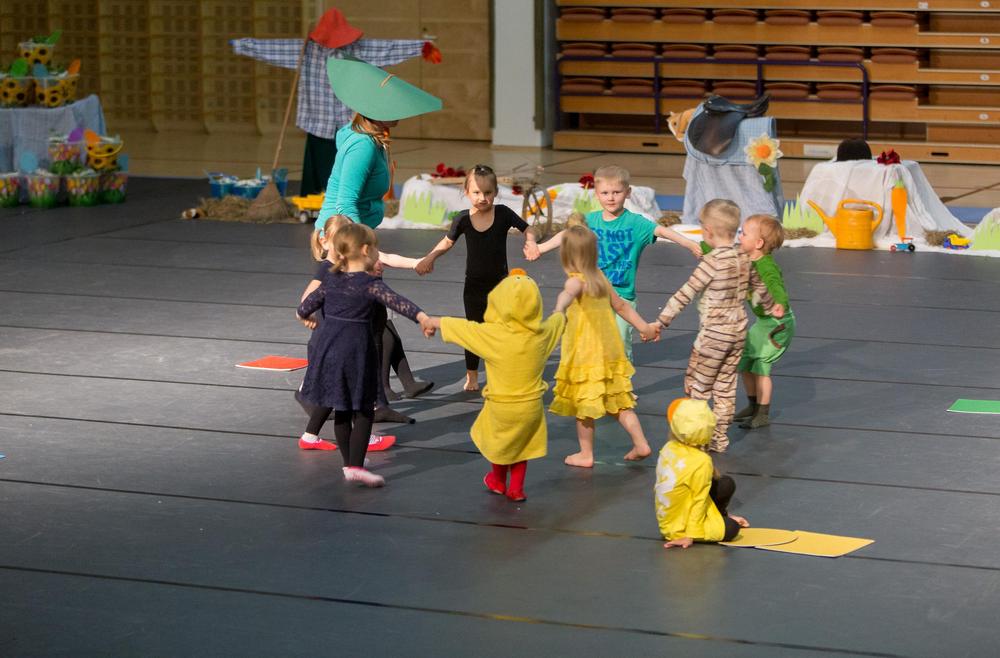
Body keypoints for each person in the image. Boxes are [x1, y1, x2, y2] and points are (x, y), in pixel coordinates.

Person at [318, 55, 442, 424]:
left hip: (354, 238)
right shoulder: (362, 146)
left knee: (375, 319)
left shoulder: (370, 137)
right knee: (365, 320)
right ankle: (339, 396)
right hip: (343, 241)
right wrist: (363, 254)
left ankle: (381, 395)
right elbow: (345, 203)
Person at [231, 8, 437, 195]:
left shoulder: (359, 49)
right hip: (319, 121)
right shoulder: (307, 50)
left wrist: (423, 47)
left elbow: (389, 48)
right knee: (319, 163)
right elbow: (274, 49)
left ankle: (348, 198)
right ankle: (314, 198)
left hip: (349, 120)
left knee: (351, 162)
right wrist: (242, 45)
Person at [296, 223, 435, 487]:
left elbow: (305, 307)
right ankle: (356, 466)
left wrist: (306, 317)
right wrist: (422, 317)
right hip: (356, 352)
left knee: (341, 408)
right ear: (365, 250)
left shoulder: (330, 280)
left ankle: (349, 464)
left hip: (328, 351)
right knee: (362, 411)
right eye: (375, 248)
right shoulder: (369, 285)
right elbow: (398, 302)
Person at [529, 165, 702, 362]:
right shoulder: (590, 221)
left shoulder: (636, 223)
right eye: (605, 193)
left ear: (628, 193)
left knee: (619, 343)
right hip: (593, 292)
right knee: (592, 341)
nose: (611, 198)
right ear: (597, 194)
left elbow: (662, 231)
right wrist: (541, 248)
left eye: (616, 192)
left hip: (623, 293)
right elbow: (567, 234)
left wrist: (689, 243)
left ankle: (622, 377)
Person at [422, 270, 566, 502]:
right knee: (522, 445)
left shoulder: (492, 335)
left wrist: (432, 322)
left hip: (501, 407)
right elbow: (558, 320)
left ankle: (498, 481)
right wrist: (561, 304)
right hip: (531, 408)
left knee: (497, 440)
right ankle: (516, 488)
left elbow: (462, 327)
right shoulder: (541, 335)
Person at [653, 200, 783, 453]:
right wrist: (771, 307)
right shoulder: (744, 258)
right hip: (737, 335)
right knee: (725, 389)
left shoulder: (711, 263)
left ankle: (697, 436)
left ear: (708, 231)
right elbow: (759, 287)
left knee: (698, 388)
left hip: (714, 337)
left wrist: (661, 322)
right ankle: (719, 438)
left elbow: (685, 293)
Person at [414, 164, 540, 391]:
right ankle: (471, 375)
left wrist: (530, 241)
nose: (482, 198)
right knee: (473, 331)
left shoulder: (503, 214)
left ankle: (503, 371)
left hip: (501, 286)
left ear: (496, 192)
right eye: (476, 193)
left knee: (502, 330)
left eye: (488, 192)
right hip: (473, 286)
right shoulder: (462, 219)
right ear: (466, 192)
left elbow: (528, 229)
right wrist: (430, 257)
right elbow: (447, 242)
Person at [550, 226, 660, 468]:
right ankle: (640, 443)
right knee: (619, 402)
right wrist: (645, 328)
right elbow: (622, 306)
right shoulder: (599, 277)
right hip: (609, 353)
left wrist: (559, 309)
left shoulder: (576, 281)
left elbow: (568, 293)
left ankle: (585, 454)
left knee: (584, 404)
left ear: (566, 256)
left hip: (586, 355)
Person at [655, 398, 749, 549]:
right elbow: (699, 500)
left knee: (725, 483)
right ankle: (710, 523)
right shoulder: (701, 461)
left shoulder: (669, 447)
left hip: (670, 518)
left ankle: (719, 517)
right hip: (679, 528)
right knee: (732, 528)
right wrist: (690, 536)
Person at [733, 214, 795, 430]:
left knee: (761, 366)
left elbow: (777, 287)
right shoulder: (747, 258)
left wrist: (780, 304)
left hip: (778, 323)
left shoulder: (766, 267)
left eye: (744, 233)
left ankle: (762, 413)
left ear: (758, 243)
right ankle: (752, 405)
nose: (739, 237)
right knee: (745, 362)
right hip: (763, 321)